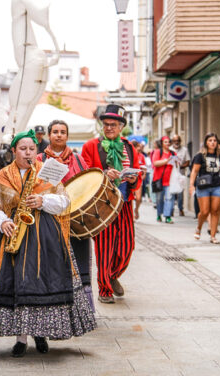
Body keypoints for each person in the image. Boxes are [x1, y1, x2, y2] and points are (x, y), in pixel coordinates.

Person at [0, 129, 96, 357]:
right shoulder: (4, 174)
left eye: (31, 149)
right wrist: (2, 221)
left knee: (42, 283)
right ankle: (21, 339)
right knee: (17, 286)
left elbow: (64, 202)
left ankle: (41, 334)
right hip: (12, 234)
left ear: (37, 151)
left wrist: (42, 200)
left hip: (44, 236)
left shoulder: (47, 172)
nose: (27, 153)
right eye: (22, 149)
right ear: (14, 151)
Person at [81, 104, 140, 304]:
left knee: (127, 246)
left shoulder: (129, 146)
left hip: (124, 202)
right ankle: (104, 288)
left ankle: (113, 275)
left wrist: (133, 179)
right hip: (102, 206)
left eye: (113, 125)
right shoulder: (91, 146)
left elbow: (138, 171)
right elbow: (86, 172)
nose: (109, 128)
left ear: (121, 126)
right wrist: (104, 173)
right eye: (105, 124)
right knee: (105, 248)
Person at [36, 120, 94, 309]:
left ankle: (83, 309)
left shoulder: (78, 159)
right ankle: (56, 308)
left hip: (77, 220)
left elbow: (87, 185)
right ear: (49, 135)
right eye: (55, 132)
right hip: (50, 220)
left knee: (80, 262)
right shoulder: (38, 160)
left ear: (67, 136)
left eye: (62, 132)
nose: (59, 135)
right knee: (53, 263)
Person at [189, 133, 220, 244]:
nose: (212, 142)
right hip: (203, 186)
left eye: (214, 141)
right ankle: (199, 227)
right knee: (205, 211)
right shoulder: (200, 156)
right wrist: (191, 185)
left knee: (215, 210)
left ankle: (213, 236)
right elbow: (194, 171)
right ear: (206, 142)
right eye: (210, 140)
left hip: (217, 185)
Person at [152, 136, 177, 224]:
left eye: (168, 142)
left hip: (170, 180)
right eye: (165, 142)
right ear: (162, 143)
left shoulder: (173, 153)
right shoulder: (158, 152)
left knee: (169, 198)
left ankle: (167, 216)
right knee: (159, 199)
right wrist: (167, 161)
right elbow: (155, 163)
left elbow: (176, 165)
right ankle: (159, 214)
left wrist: (177, 162)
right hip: (159, 179)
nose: (167, 143)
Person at [170, 134, 190, 217]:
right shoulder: (169, 149)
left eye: (178, 140)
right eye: (174, 141)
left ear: (180, 141)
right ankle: (171, 210)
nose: (176, 142)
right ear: (172, 142)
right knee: (171, 192)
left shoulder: (184, 150)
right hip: (171, 174)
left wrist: (180, 166)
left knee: (180, 193)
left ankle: (180, 209)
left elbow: (188, 162)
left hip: (180, 174)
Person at [131, 140, 148, 220]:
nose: (139, 149)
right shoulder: (129, 155)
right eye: (138, 147)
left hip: (139, 179)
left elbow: (144, 167)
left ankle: (136, 210)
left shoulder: (141, 156)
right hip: (129, 179)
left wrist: (144, 174)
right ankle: (131, 215)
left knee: (138, 198)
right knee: (130, 198)